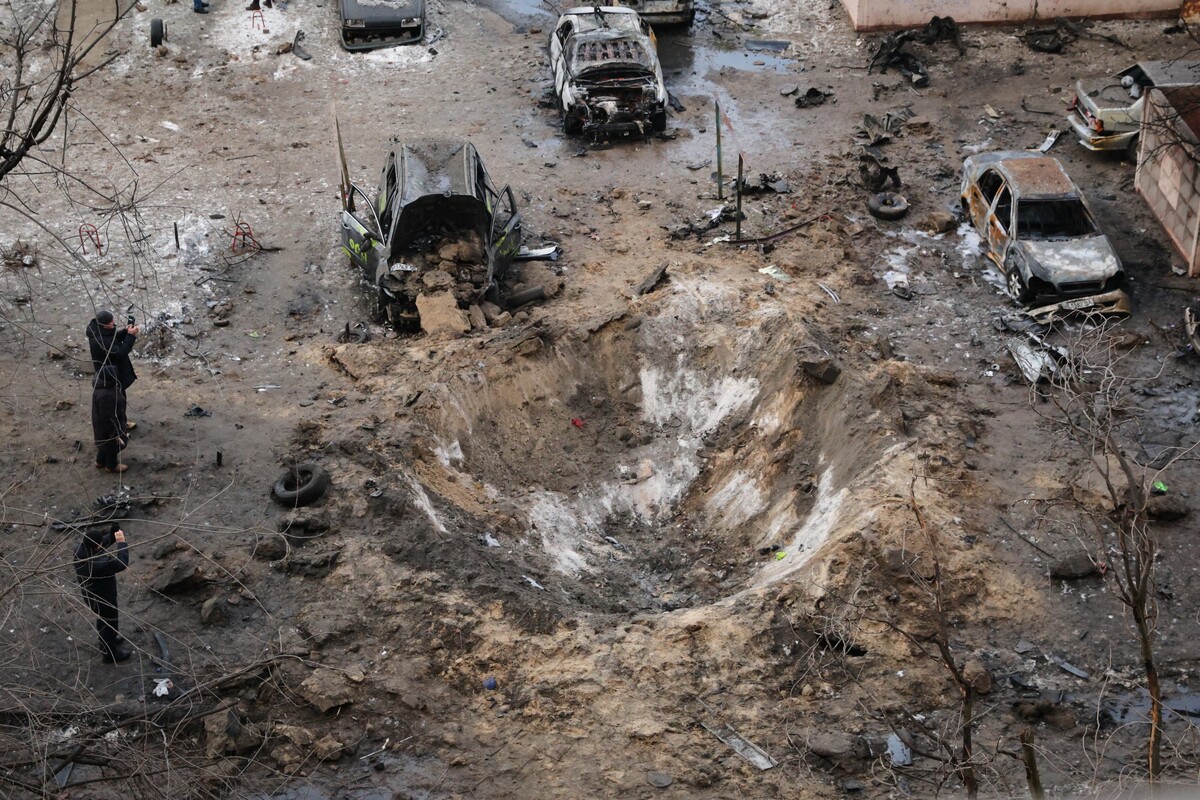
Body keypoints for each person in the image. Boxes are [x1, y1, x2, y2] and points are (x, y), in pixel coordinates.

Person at [74, 524, 133, 663]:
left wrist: (113, 534)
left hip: (91, 595)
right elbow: (121, 563)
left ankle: (106, 641)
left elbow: (98, 544)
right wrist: (121, 542)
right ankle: (110, 654)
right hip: (103, 598)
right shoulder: (99, 564)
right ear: (97, 546)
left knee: (103, 620)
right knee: (111, 622)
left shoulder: (80, 550)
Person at [86, 309, 139, 432]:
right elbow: (119, 352)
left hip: (114, 373)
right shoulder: (99, 340)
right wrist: (131, 336)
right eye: (111, 322)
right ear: (103, 325)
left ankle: (122, 423)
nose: (113, 324)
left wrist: (125, 332)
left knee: (121, 400)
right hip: (109, 377)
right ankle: (118, 430)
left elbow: (113, 338)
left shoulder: (100, 331)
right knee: (115, 404)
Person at [92, 364, 128, 473]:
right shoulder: (106, 395)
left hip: (100, 426)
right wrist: (115, 432)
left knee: (103, 445)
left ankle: (100, 461)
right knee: (111, 446)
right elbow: (107, 417)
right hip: (108, 428)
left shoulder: (102, 388)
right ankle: (111, 465)